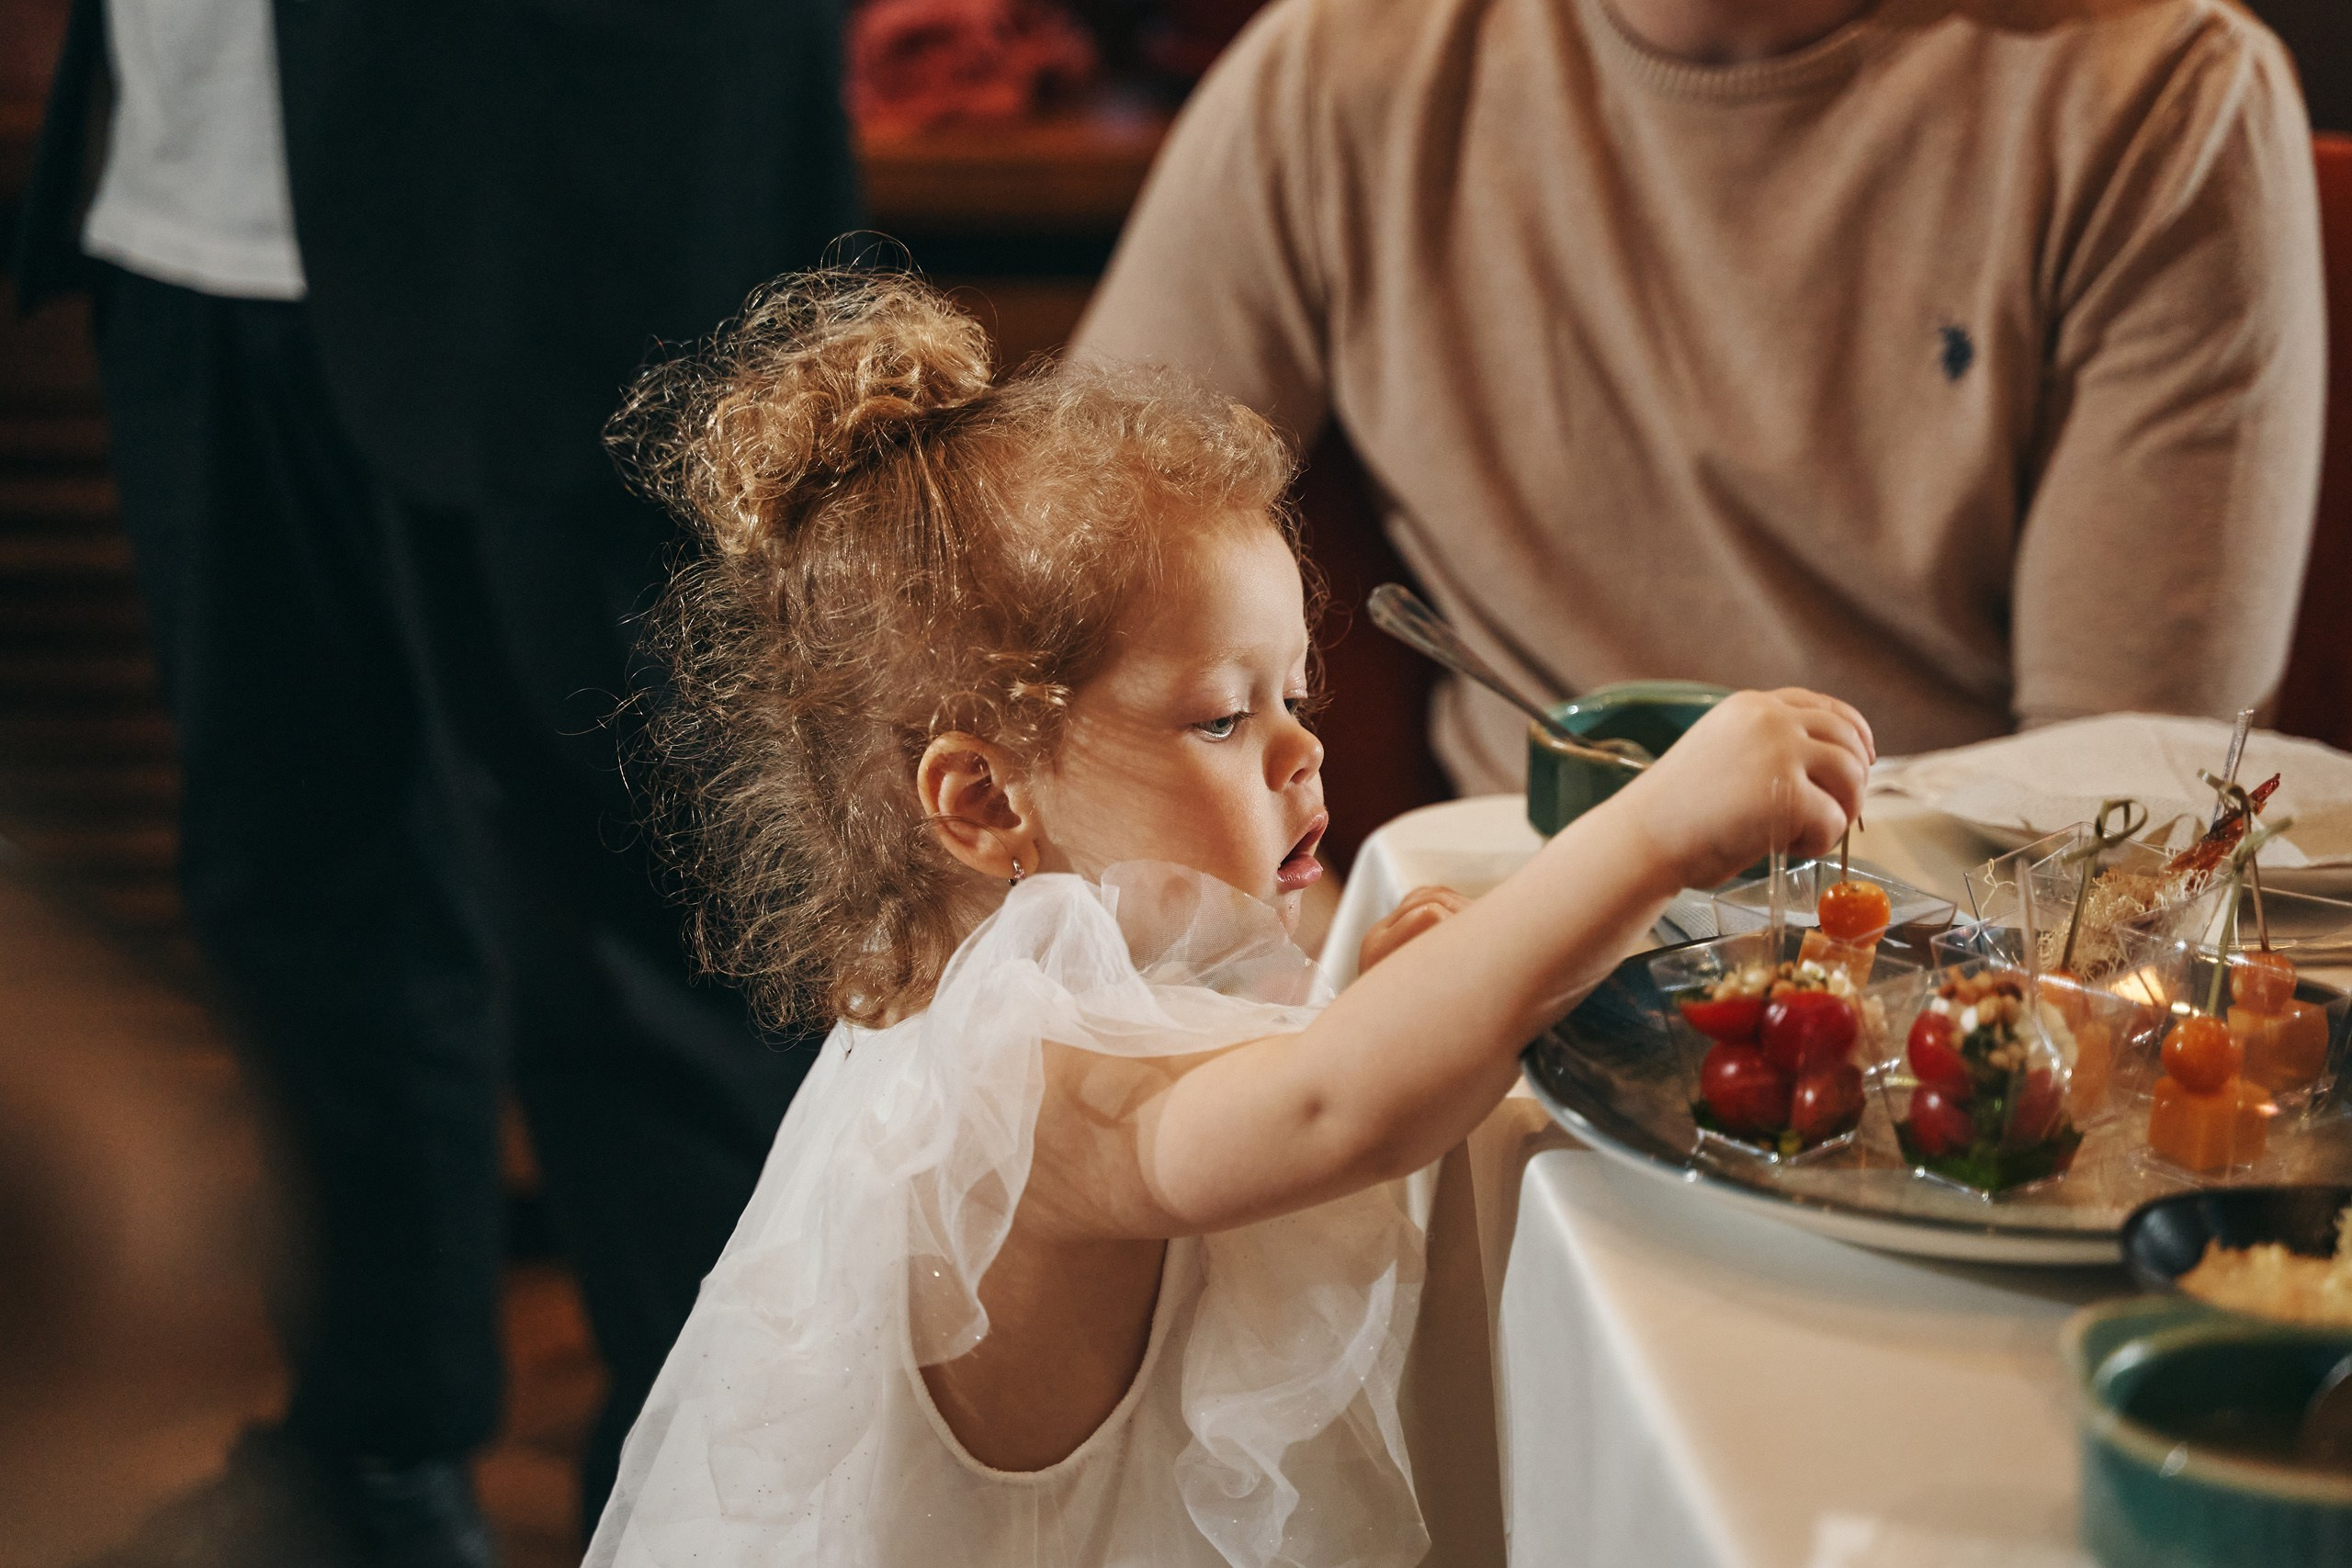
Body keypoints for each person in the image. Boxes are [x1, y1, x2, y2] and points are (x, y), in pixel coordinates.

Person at [582, 272, 1873, 1564]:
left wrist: (1372, 1017)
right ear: (982, 799)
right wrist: (1653, 832)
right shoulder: (1014, 1079)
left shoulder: (1093, 975)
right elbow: (1331, 1113)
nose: (1301, 753)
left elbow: (1306, 1089)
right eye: (1221, 716)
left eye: (1295, 698)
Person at [13, 2, 856, 1560]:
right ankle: (371, 1449)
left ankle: (725, 1500)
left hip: (561, 196)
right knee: (290, 883)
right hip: (182, 212)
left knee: (651, 920)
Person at [1073, 0, 2328, 795]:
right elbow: (1048, 597)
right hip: (1489, 970)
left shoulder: (2162, 95)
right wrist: (1294, 929)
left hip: (1954, 975)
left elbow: (2112, 813)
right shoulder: (1335, 74)